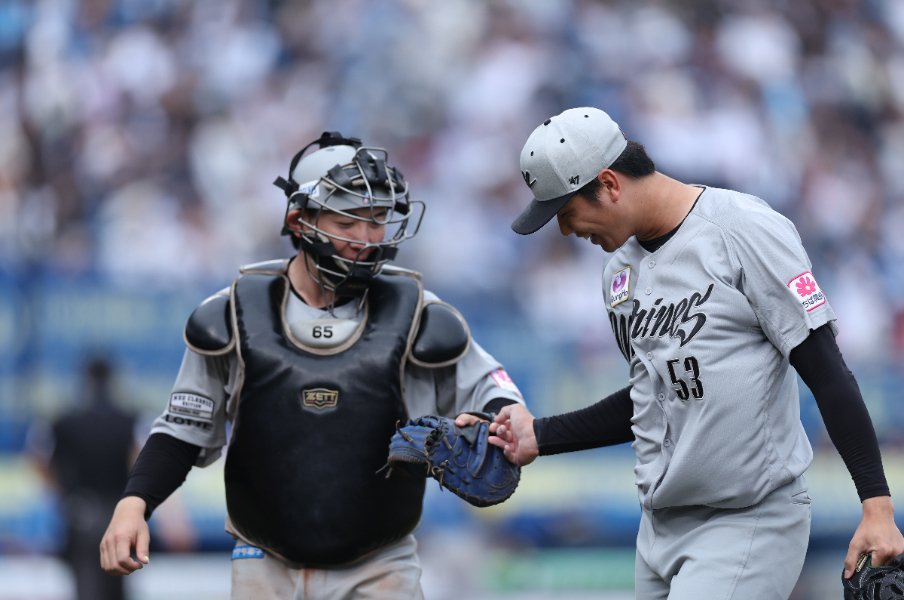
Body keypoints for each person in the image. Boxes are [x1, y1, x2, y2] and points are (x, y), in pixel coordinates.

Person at [490, 106, 904, 599]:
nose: (563, 230)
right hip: (658, 530)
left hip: (747, 518)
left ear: (608, 183)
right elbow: (654, 397)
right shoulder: (617, 271)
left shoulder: (742, 229)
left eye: (564, 212)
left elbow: (828, 371)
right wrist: (540, 435)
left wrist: (876, 505)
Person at [98, 131, 524, 599]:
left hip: (379, 564)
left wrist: (508, 413)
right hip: (264, 561)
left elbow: (491, 386)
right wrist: (134, 503)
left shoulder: (421, 313)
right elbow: (182, 430)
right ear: (301, 221)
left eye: (378, 219)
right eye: (349, 221)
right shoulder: (234, 315)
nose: (367, 238)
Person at [30, 355, 138, 600]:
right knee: (118, 585)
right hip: (117, 513)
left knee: (87, 586)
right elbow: (142, 459)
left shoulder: (65, 420)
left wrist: (63, 495)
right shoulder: (127, 419)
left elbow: (38, 457)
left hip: (81, 513)